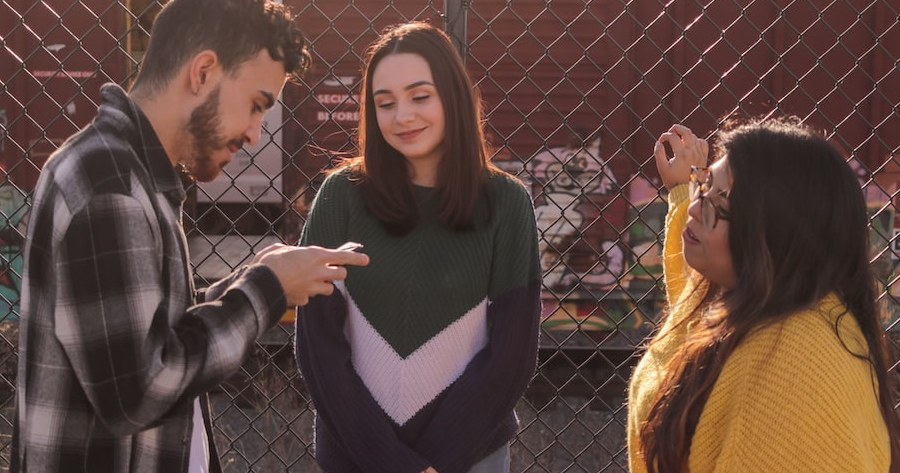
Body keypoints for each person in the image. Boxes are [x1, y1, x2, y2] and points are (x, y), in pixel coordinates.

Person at [11, 0, 369, 471]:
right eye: (256, 105)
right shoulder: (109, 183)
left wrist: (258, 276)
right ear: (202, 72)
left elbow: (155, 326)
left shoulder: (130, 172)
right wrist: (267, 289)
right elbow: (140, 390)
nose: (255, 133)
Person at [294, 22, 542, 473]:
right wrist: (394, 463)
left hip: (470, 458)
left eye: (420, 96)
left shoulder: (507, 203)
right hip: (356, 457)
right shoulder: (339, 196)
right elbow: (319, 351)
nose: (402, 116)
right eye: (385, 103)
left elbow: (512, 355)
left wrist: (436, 464)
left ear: (453, 97)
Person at [627, 118, 900, 472]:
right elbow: (691, 310)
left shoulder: (796, 372)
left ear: (777, 233)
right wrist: (682, 190)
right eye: (704, 186)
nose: (696, 206)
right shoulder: (755, 305)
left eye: (721, 204)